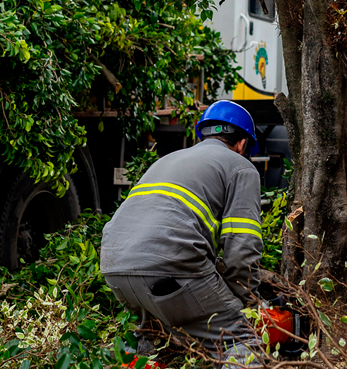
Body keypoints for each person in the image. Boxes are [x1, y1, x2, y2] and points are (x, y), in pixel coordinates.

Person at [100, 100, 264, 362]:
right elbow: (242, 247)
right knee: (242, 341)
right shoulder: (241, 166)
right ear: (243, 144)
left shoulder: (167, 160)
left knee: (152, 341)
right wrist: (246, 304)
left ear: (204, 133)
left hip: (114, 266)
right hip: (170, 266)